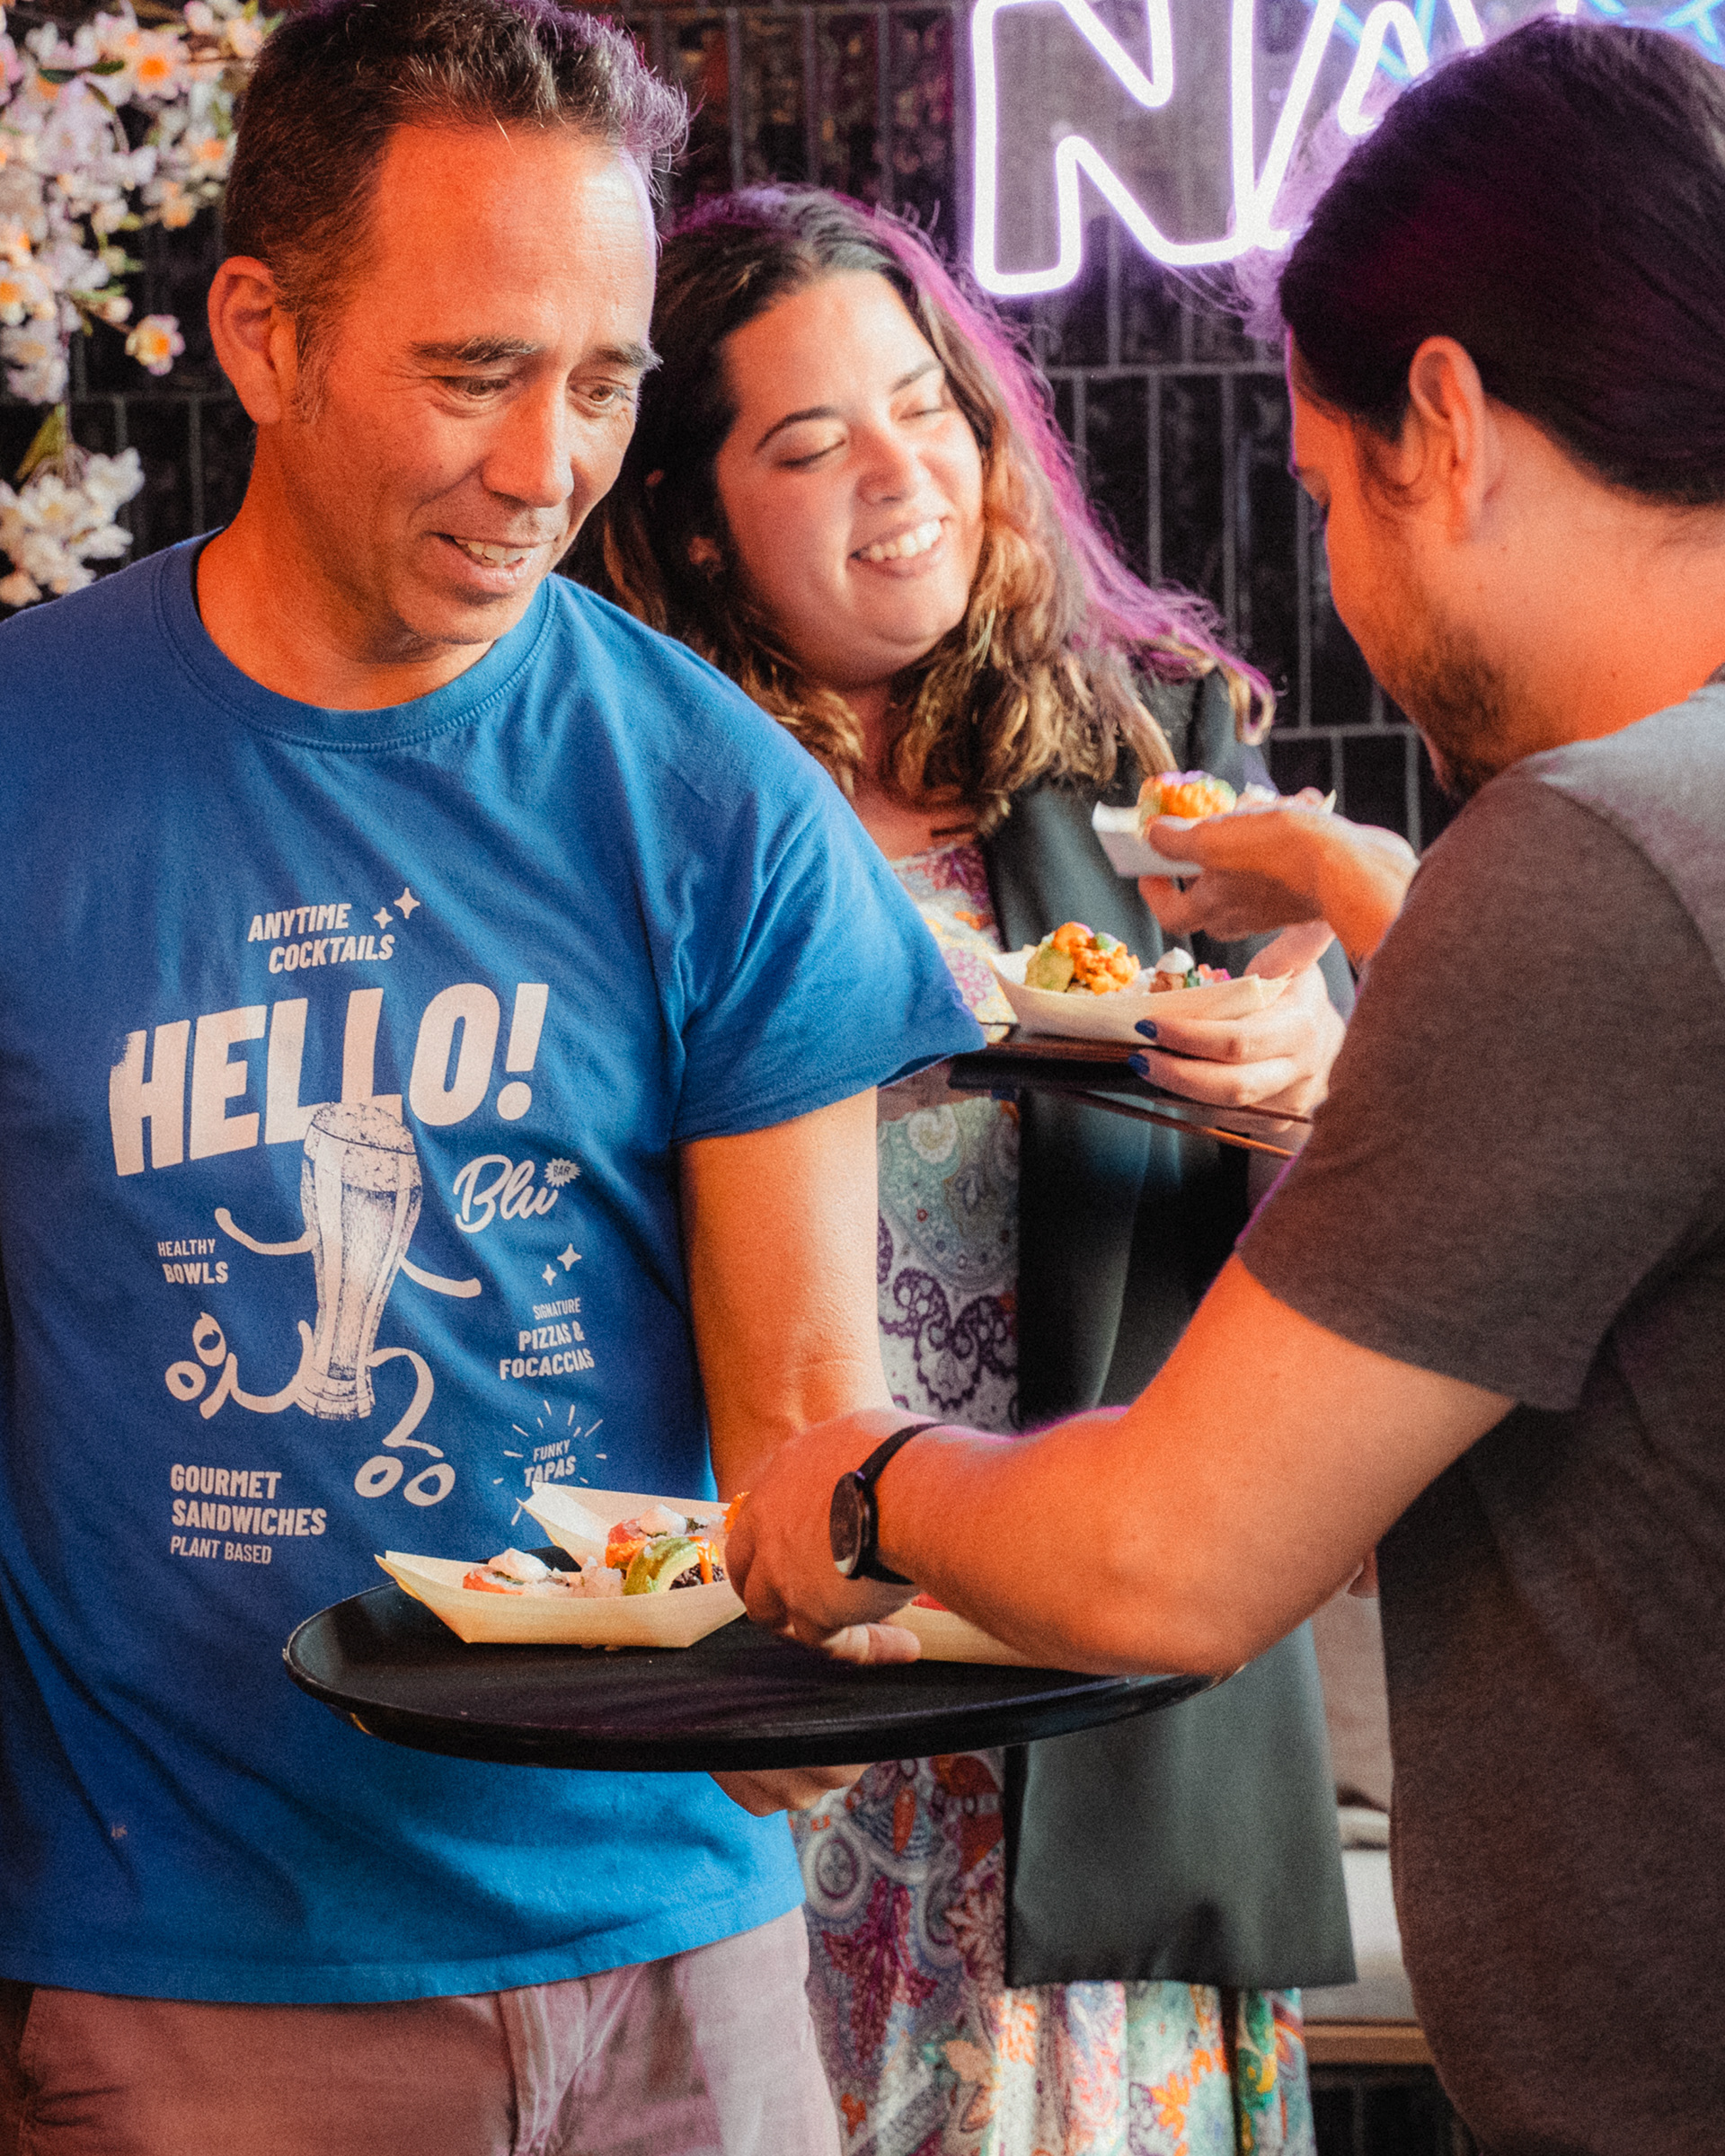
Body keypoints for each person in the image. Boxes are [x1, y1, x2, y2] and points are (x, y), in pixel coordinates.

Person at [726, 21, 1725, 2153]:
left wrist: (863, 1488)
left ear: (1444, 421)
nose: (1339, 584)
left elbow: (1176, 1554)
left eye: (1326, 496)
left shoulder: (1599, 855)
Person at [0, 4, 985, 2152]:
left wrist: (840, 1634)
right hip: (189, 1978)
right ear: (261, 336)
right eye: (473, 374)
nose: (547, 468)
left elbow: (803, 1402)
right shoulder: (24, 766)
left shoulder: (714, 797)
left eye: (604, 382)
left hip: (675, 1950)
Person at [579, 186, 1360, 2155]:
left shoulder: (1162, 759)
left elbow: (1374, 1255)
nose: (899, 471)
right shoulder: (630, 806)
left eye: (923, 405)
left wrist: (1316, 1071)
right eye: (807, 441)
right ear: (692, 518)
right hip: (768, 1691)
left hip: (1078, 1700)